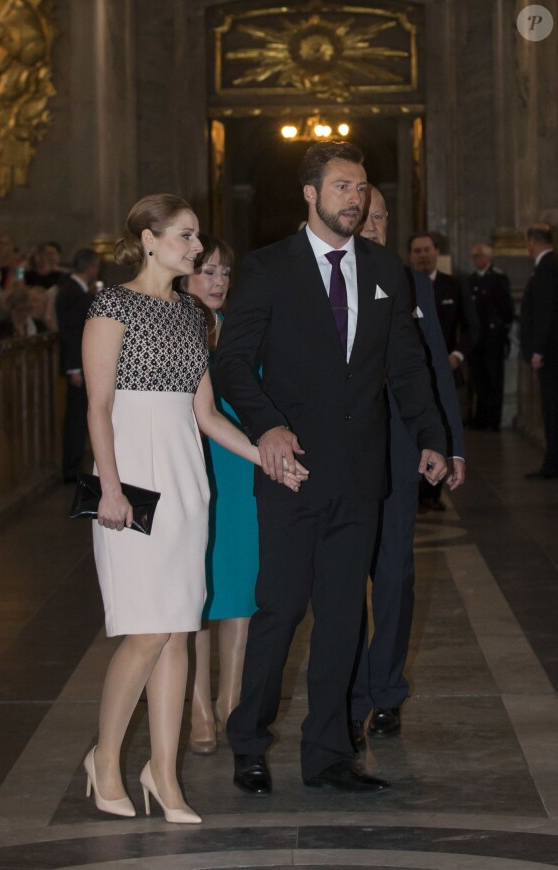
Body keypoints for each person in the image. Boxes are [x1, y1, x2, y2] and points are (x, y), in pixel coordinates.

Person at [215, 141, 448, 796]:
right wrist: (268, 427)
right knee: (281, 609)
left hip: (361, 476)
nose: (357, 197)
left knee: (345, 617)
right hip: (291, 471)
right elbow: (233, 361)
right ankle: (250, 741)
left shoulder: (382, 269)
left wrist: (430, 435)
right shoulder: (267, 269)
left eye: (363, 187)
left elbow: (404, 364)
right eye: (343, 186)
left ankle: (327, 756)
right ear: (311, 195)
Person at [81, 194, 306, 825]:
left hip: (185, 479)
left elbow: (205, 415)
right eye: (185, 236)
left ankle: (164, 775)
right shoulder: (112, 305)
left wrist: (267, 455)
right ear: (149, 239)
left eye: (198, 237)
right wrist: (110, 487)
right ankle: (104, 763)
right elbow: (99, 407)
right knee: (147, 629)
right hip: (131, 476)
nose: (197, 248)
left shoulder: (190, 314)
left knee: (179, 627)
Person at [350, 187, 465, 744]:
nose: (371, 226)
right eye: (361, 217)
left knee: (394, 574)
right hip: (344, 453)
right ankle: (349, 693)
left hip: (399, 448)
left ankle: (386, 691)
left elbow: (435, 372)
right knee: (344, 577)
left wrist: (450, 443)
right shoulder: (328, 282)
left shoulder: (413, 284)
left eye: (379, 218)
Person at [177, 234, 258, 755]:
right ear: (185, 272)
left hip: (242, 468)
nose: (218, 282)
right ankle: (199, 707)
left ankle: (232, 699)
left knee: (240, 586)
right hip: (194, 463)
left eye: (225, 273)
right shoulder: (173, 325)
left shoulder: (239, 328)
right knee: (197, 590)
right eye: (208, 271)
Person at [409, 232, 478, 511]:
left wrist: (457, 356)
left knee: (446, 426)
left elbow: (472, 327)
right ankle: (419, 492)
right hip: (413, 377)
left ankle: (433, 493)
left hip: (446, 371)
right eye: (417, 251)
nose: (423, 255)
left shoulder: (454, 285)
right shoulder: (403, 285)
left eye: (427, 250)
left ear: (437, 252)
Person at [55, 249, 101, 482]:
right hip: (78, 366)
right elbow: (72, 333)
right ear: (91, 267)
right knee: (76, 417)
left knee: (80, 416)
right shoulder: (71, 292)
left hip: (82, 364)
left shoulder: (79, 291)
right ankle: (71, 469)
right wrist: (74, 368)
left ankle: (75, 465)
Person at [520, 224, 558, 480]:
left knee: (552, 409)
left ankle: (552, 463)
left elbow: (545, 313)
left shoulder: (546, 268)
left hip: (551, 355)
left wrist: (537, 350)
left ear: (532, 241)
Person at [467, 244, 513, 431]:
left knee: (494, 379)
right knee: (479, 379)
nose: (476, 259)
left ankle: (493, 419)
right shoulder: (470, 280)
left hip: (493, 337)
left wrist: (501, 330)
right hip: (476, 337)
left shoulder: (497, 278)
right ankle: (480, 417)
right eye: (474, 256)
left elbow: (506, 309)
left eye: (479, 256)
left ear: (487, 257)